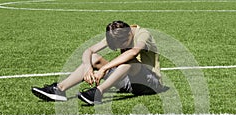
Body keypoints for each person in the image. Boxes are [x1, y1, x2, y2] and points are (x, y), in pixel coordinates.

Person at [32, 20, 166, 105]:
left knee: (129, 61)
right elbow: (89, 50)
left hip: (150, 82)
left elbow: (133, 52)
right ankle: (59, 89)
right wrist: (87, 68)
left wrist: (104, 69)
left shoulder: (143, 34)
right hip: (128, 81)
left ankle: (98, 93)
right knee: (94, 58)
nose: (119, 48)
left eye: (120, 45)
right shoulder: (117, 33)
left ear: (128, 36)